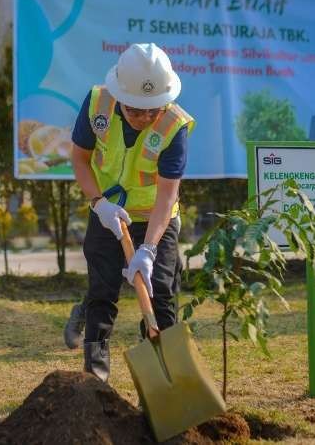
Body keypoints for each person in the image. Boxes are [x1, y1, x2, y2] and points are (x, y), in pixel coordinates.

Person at [69, 43, 194, 381]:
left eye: (152, 109)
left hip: (156, 218)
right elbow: (80, 160)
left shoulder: (173, 126)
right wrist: (100, 205)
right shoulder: (99, 102)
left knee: (162, 292)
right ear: (120, 93)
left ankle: (164, 378)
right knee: (102, 290)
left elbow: (167, 196)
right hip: (108, 212)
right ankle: (95, 377)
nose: (144, 118)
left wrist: (149, 249)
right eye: (136, 109)